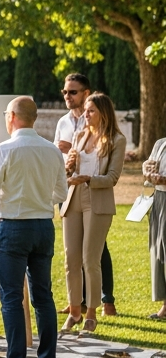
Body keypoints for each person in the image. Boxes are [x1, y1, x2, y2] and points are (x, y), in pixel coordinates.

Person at [0, 96, 68, 358]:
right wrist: (39, 199)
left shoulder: (4, 149)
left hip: (15, 226)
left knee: (12, 297)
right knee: (43, 297)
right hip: (43, 226)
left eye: (6, 114)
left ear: (13, 117)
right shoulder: (52, 150)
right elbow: (62, 194)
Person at [60, 91, 126, 334]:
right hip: (73, 197)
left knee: (90, 259)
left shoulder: (116, 140)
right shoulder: (79, 136)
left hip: (97, 200)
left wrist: (88, 178)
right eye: (85, 110)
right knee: (71, 259)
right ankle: (75, 311)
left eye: (91, 111)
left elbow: (113, 178)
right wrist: (69, 168)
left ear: (103, 113)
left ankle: (91, 314)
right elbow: (68, 173)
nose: (85, 114)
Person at [55, 72, 116, 316]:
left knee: (97, 249)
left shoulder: (101, 127)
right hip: (69, 188)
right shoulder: (64, 122)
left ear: (86, 93)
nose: (67, 96)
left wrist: (73, 150)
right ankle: (76, 304)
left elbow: (106, 164)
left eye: (72, 92)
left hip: (94, 189)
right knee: (72, 253)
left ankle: (106, 300)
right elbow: (59, 155)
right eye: (64, 92)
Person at [144, 137, 166, 319]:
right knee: (158, 252)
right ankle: (165, 305)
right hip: (158, 198)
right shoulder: (160, 143)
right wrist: (148, 172)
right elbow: (149, 168)